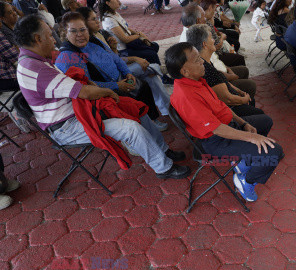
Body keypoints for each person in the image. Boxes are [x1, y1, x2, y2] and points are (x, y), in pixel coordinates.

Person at [15, 14, 190, 179]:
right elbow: (84, 90)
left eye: (82, 29)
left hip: (83, 110)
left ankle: (163, 149)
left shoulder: (37, 60)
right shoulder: (39, 67)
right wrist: (112, 91)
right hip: (67, 126)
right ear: (38, 39)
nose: (53, 39)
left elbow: (113, 62)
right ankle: (164, 167)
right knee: (130, 127)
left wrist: (121, 80)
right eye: (49, 35)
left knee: (134, 107)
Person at [166, 42, 283, 202]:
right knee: (274, 153)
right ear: (185, 71)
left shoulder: (197, 80)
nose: (202, 61)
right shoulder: (186, 96)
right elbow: (217, 129)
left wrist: (243, 123)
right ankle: (246, 181)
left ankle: (245, 162)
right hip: (216, 142)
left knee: (265, 121)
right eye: (196, 60)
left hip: (228, 127)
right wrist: (251, 137)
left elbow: (222, 107)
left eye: (199, 57)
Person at [77, 7, 171, 125]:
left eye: (97, 18)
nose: (98, 21)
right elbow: (123, 44)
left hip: (121, 69)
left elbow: (114, 58)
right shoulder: (85, 45)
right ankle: (161, 70)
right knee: (147, 66)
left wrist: (115, 49)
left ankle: (166, 110)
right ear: (84, 23)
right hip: (115, 77)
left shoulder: (99, 35)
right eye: (93, 19)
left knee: (149, 76)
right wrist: (131, 62)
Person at [187, 24, 262, 117]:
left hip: (230, 98)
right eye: (211, 38)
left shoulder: (205, 60)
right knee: (262, 116)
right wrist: (244, 99)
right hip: (229, 109)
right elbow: (227, 99)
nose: (214, 40)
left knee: (250, 96)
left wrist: (239, 91)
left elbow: (222, 80)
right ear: (204, 44)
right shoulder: (205, 69)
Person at [200, 0, 246, 67]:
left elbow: (217, 24)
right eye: (214, 9)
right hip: (217, 54)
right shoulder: (206, 24)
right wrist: (222, 37)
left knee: (234, 35)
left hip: (216, 46)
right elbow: (217, 46)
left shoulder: (207, 20)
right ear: (210, 8)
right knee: (240, 58)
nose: (214, 11)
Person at [0, 1, 19, 91]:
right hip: (6, 78)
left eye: (13, 11)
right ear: (2, 18)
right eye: (10, 12)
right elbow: (16, 57)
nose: (14, 14)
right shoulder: (2, 34)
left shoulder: (14, 26)